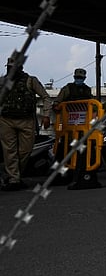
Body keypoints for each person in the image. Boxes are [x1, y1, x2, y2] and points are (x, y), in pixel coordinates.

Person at [0, 57, 52, 191]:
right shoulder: (3, 81)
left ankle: (14, 175)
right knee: (9, 151)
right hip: (6, 120)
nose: (11, 70)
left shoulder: (31, 81)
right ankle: (14, 179)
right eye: (9, 67)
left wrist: (46, 116)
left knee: (26, 151)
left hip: (26, 120)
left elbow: (45, 97)